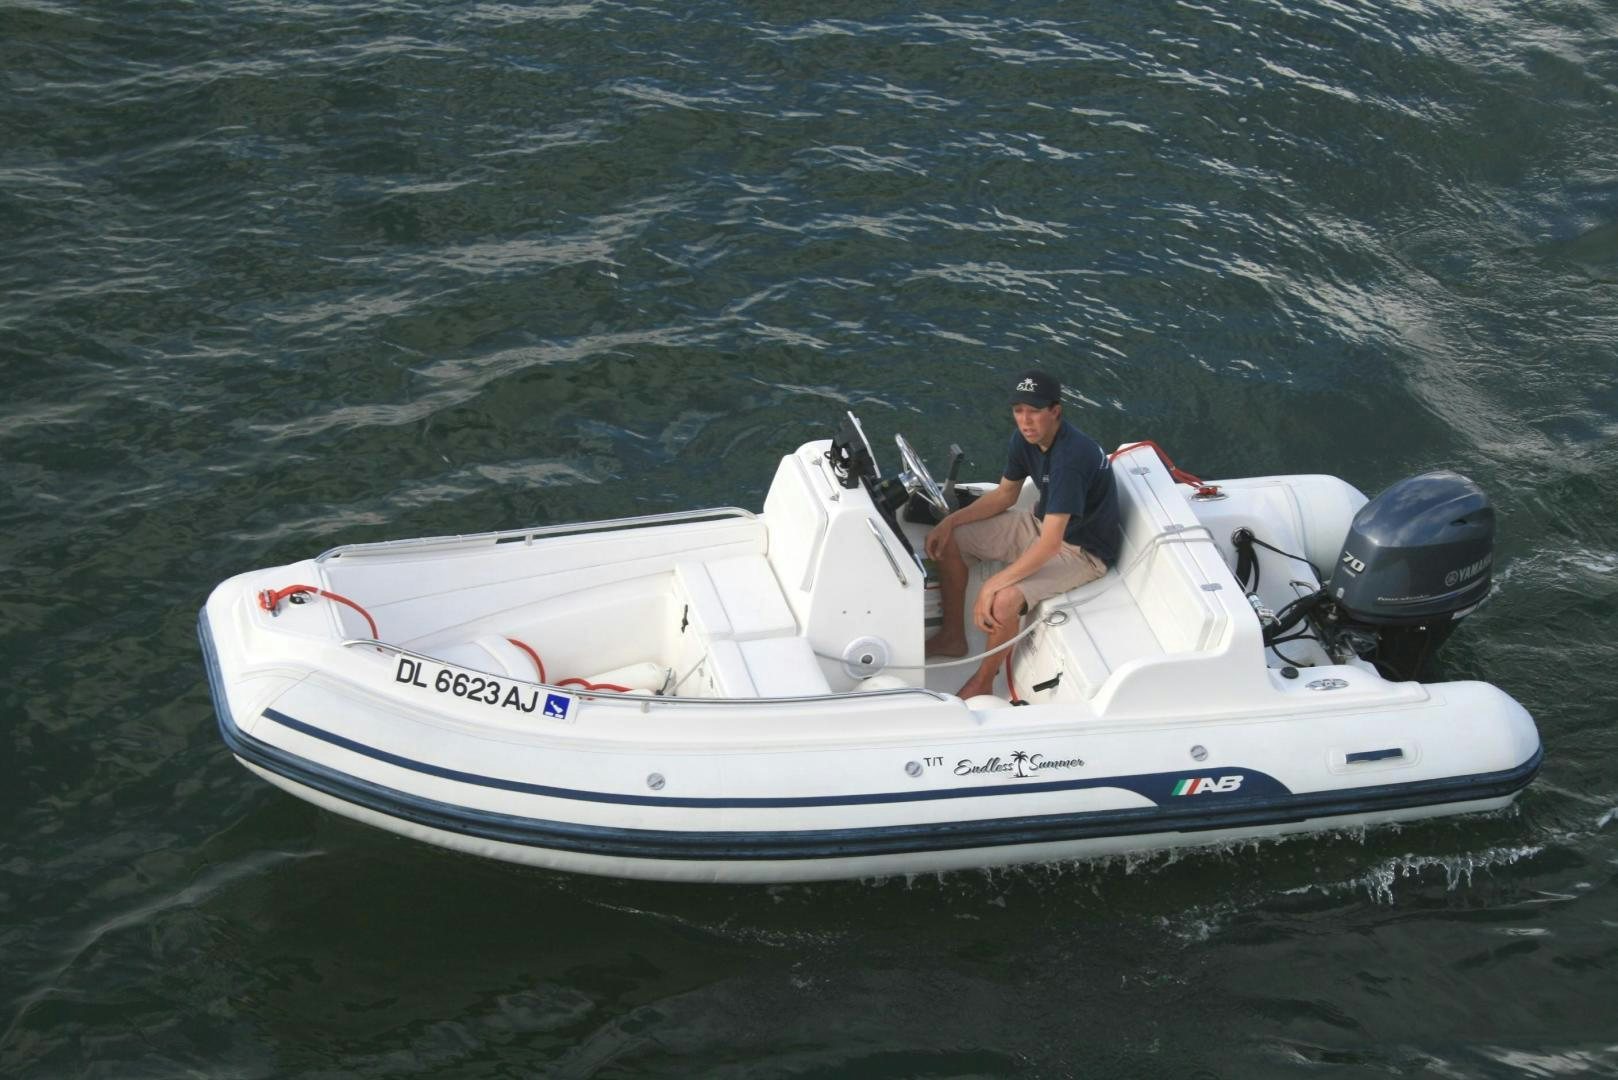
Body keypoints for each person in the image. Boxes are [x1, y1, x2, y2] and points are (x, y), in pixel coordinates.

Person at [923, 369, 1122, 699]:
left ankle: (985, 680)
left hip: (1082, 552)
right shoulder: (1025, 439)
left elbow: (1051, 545)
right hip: (1040, 525)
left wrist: (992, 585)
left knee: (1004, 600)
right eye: (1019, 411)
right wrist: (951, 522)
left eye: (1035, 411)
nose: (1025, 420)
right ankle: (952, 637)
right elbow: (1005, 496)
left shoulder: (1071, 459)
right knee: (949, 543)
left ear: (1055, 412)